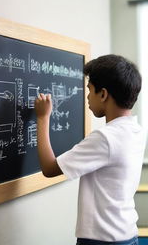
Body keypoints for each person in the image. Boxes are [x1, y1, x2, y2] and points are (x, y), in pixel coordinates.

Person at [34, 54, 146, 245]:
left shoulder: (106, 138)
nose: (86, 96)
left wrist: (43, 118)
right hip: (127, 234)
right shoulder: (136, 130)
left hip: (102, 240)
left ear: (103, 94)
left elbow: (49, 168)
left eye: (89, 90)